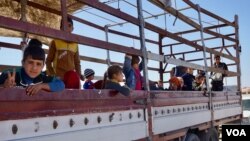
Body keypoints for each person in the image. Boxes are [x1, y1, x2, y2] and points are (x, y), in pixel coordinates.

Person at [0, 42, 65, 96]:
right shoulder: (10, 75)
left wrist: (41, 86)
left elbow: (61, 85)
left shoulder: (42, 78)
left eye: (38, 64)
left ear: (43, 66)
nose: (34, 68)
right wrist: (3, 86)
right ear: (23, 63)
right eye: (30, 62)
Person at [46, 17, 83, 89]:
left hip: (71, 78)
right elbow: (48, 61)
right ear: (60, 28)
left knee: (74, 96)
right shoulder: (55, 42)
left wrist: (78, 76)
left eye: (69, 26)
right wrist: (53, 74)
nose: (67, 29)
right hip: (58, 78)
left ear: (72, 28)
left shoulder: (75, 44)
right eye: (64, 26)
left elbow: (77, 63)